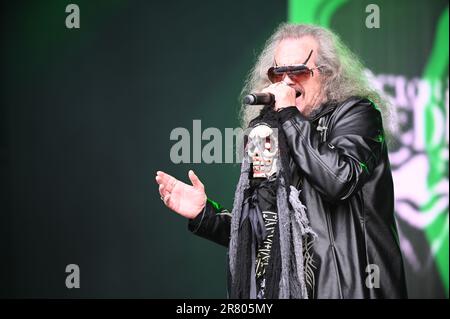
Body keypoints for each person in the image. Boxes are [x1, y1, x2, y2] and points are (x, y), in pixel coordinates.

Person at [155, 23, 407, 299]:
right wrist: (206, 215)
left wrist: (288, 115)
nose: (286, 81)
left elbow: (339, 180)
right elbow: (265, 233)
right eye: (278, 72)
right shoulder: (271, 132)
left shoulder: (357, 114)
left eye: (298, 71)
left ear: (327, 74)